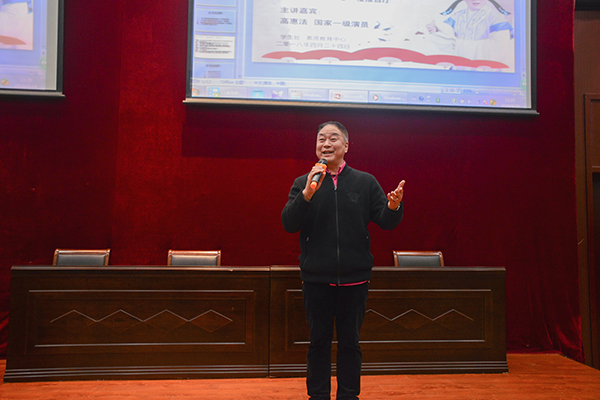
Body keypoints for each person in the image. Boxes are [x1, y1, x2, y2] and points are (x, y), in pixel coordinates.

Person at [281, 121, 405, 400]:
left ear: (346, 145)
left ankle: (349, 395)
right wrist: (307, 195)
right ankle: (318, 396)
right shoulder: (304, 182)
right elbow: (289, 223)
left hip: (354, 279)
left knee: (350, 344)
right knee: (318, 344)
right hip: (317, 280)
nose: (326, 143)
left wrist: (393, 206)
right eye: (321, 139)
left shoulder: (365, 182)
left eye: (333, 138)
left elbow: (385, 221)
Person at [426, 0, 514, 65]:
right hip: (459, 66)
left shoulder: (496, 18)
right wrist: (436, 29)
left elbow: (499, 46)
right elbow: (446, 31)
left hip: (484, 70)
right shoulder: (458, 15)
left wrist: (462, 45)